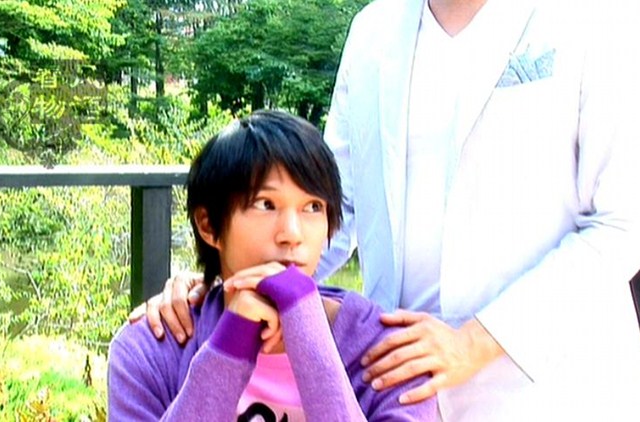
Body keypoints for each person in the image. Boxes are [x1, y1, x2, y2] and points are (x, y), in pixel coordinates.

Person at [134, 0, 640, 420]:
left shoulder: (602, 15)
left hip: (551, 390)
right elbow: (331, 204)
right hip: (393, 386)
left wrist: (474, 342)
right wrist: (224, 284)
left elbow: (623, 222)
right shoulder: (374, 29)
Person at [108, 110, 438, 421]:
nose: (292, 234)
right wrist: (230, 345)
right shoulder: (150, 347)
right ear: (208, 226)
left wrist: (306, 326)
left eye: (313, 207)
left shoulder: (391, 355)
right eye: (266, 204)